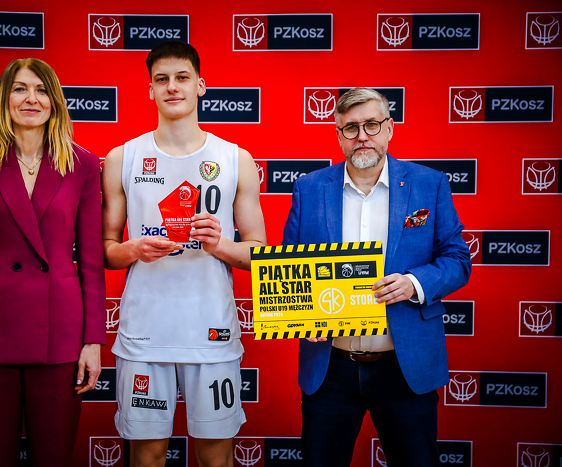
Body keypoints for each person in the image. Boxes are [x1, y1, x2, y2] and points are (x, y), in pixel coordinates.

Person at [282, 87, 472, 467]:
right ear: (338, 136)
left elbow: (458, 260)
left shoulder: (429, 184)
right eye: (351, 128)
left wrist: (414, 283)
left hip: (405, 364)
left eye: (371, 124)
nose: (362, 136)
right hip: (330, 367)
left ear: (389, 128)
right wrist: (300, 315)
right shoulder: (309, 188)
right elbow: (290, 268)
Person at [101, 41, 266, 467]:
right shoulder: (123, 158)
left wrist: (219, 244)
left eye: (181, 78)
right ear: (150, 90)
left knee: (216, 458)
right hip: (144, 335)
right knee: (147, 456)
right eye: (161, 80)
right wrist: (134, 248)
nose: (171, 87)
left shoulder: (235, 159)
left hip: (212, 335)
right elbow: (107, 250)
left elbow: (258, 252)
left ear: (200, 86)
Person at [0, 58, 106, 467]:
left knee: (53, 457)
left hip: (60, 335)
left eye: (41, 89)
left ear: (55, 101)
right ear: (5, 98)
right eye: (20, 88)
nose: (31, 98)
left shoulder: (83, 165)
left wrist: (92, 341)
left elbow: (90, 261)